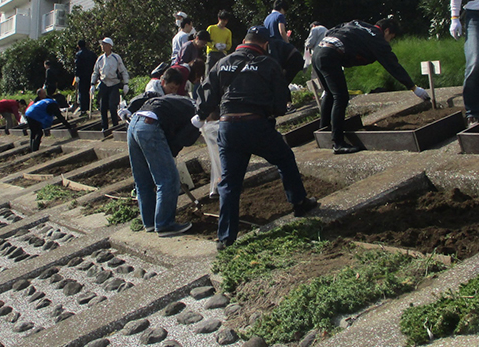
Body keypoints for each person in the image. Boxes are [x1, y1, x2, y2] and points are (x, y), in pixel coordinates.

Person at [195, 26, 319, 250]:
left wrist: (202, 115)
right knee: (284, 158)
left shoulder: (222, 63)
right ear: (265, 44)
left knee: (230, 183)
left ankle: (226, 238)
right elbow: (280, 103)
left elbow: (205, 97)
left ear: (243, 40)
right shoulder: (269, 64)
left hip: (228, 127)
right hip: (256, 125)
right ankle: (299, 203)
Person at [313, 18, 430, 153]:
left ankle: (324, 132)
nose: (388, 41)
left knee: (329, 93)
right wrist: (413, 87)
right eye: (390, 38)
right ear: (386, 31)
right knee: (341, 97)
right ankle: (338, 143)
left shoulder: (357, 24)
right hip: (330, 54)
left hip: (319, 50)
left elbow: (333, 30)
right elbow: (392, 65)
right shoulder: (376, 37)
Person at [126, 69, 200, 236]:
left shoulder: (180, 100)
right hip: (150, 126)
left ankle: (150, 223)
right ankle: (165, 224)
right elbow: (183, 139)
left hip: (134, 124)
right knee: (168, 179)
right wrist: (169, 157)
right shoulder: (196, 113)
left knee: (143, 179)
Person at [90, 37, 130, 132]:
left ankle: (115, 125)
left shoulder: (116, 58)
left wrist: (126, 83)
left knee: (112, 106)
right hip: (104, 84)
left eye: (104, 44)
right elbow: (95, 72)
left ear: (110, 46)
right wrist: (92, 84)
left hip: (114, 84)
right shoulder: (100, 59)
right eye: (102, 45)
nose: (102, 46)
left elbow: (123, 71)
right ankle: (105, 127)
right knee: (102, 106)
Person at [73, 40, 96, 116]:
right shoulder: (92, 54)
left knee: (82, 92)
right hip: (91, 75)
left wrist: (77, 76)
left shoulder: (78, 54)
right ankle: (90, 107)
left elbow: (77, 66)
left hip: (82, 76)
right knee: (89, 91)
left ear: (78, 46)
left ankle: (83, 109)